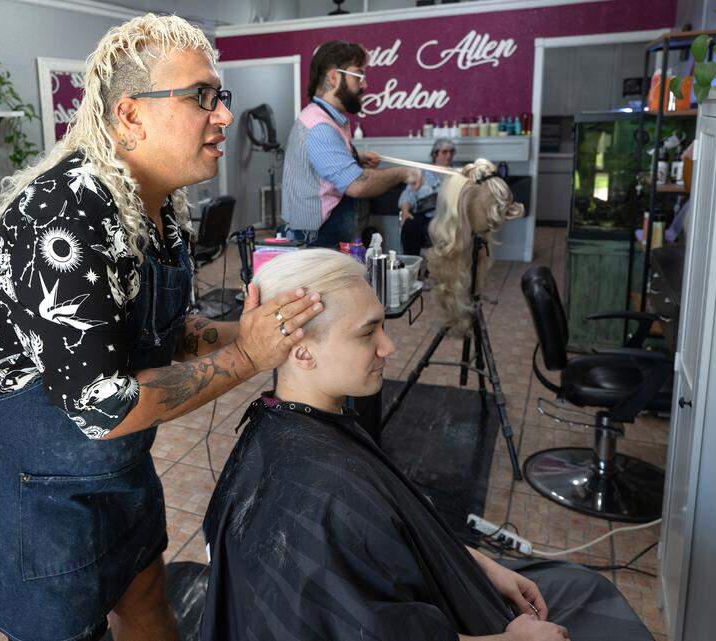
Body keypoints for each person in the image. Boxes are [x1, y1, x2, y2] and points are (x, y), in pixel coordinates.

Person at [0, 15, 326, 641]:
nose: (224, 116)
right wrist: (249, 358)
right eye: (202, 97)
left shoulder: (157, 207)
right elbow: (107, 405)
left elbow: (164, 332)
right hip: (30, 478)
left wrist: (265, 329)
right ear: (130, 115)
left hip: (112, 462)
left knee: (145, 596)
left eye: (220, 97)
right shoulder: (63, 217)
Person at [200, 248, 654, 641]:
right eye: (368, 332)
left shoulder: (300, 421)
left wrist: (475, 562)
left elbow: (397, 531)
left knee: (580, 585)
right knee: (596, 602)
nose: (389, 346)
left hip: (450, 583)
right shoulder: (311, 495)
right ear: (301, 351)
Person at [280, 40, 421, 248]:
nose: (364, 85)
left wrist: (356, 158)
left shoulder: (326, 119)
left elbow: (324, 170)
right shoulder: (320, 127)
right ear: (334, 77)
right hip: (316, 240)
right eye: (359, 75)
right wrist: (404, 173)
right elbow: (357, 185)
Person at [400, 137, 455, 257]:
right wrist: (405, 210)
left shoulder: (455, 175)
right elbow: (407, 194)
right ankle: (412, 264)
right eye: (445, 152)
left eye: (451, 152)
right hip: (424, 217)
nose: (449, 155)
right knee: (409, 224)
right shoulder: (422, 172)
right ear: (435, 154)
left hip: (446, 218)